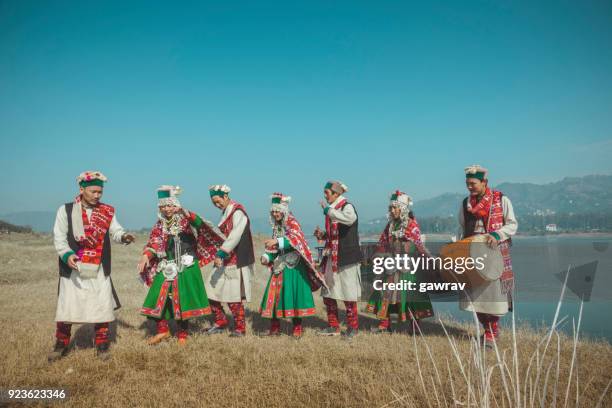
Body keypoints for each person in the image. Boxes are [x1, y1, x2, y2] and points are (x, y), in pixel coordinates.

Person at [49, 171, 135, 361]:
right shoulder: (65, 210)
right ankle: (60, 344)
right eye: (93, 191)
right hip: (73, 267)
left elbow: (116, 231)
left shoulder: (107, 211)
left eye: (100, 192)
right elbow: (59, 237)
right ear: (81, 189)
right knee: (67, 306)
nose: (97, 196)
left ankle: (102, 345)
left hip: (98, 267)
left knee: (102, 305)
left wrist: (124, 237)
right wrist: (67, 255)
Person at [138, 185, 224, 345]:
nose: (167, 209)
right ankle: (163, 331)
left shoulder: (186, 219)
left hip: (186, 266)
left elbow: (200, 224)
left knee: (182, 300)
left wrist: (184, 211)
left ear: (176, 204)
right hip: (167, 265)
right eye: (163, 206)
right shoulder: (160, 224)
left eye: (169, 205)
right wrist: (146, 255)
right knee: (155, 296)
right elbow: (155, 242)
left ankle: (182, 334)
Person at [458, 165, 517, 345]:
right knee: (476, 295)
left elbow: (512, 224)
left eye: (473, 183)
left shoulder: (501, 199)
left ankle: (492, 333)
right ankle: (486, 330)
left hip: (493, 253)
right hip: (472, 254)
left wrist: (497, 235)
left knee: (492, 294)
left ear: (484, 182)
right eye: (467, 183)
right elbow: (461, 228)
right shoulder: (465, 204)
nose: (469, 187)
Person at [366, 191, 434, 333]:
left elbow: (416, 246)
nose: (391, 210)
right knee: (383, 292)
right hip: (390, 264)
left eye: (394, 207)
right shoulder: (390, 225)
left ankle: (415, 328)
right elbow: (382, 243)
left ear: (402, 208)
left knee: (409, 296)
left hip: (407, 267)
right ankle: (385, 325)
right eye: (390, 208)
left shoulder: (412, 225)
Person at [259, 193, 326, 338]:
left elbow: (295, 239)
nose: (275, 214)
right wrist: (266, 257)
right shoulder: (277, 227)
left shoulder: (292, 222)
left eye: (277, 211)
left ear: (283, 210)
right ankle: (275, 328)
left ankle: (297, 328)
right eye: (273, 211)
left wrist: (277, 242)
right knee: (275, 296)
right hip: (280, 265)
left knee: (293, 296)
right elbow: (273, 248)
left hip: (294, 266)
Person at [205, 185, 255, 337]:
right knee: (209, 291)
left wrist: (221, 253)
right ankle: (220, 321)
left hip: (234, 260)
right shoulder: (227, 213)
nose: (217, 205)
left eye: (218, 201)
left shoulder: (238, 212)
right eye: (214, 203)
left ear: (226, 197)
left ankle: (240, 329)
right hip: (224, 259)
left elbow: (235, 235)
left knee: (233, 297)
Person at [314, 180, 362, 338]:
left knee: (349, 293)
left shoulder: (347, 207)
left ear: (336, 194)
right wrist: (323, 235)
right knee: (328, 292)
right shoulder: (333, 209)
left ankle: (353, 328)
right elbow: (335, 233)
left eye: (327, 193)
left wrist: (328, 210)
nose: (325, 196)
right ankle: (333, 326)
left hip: (346, 257)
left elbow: (349, 220)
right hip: (331, 257)